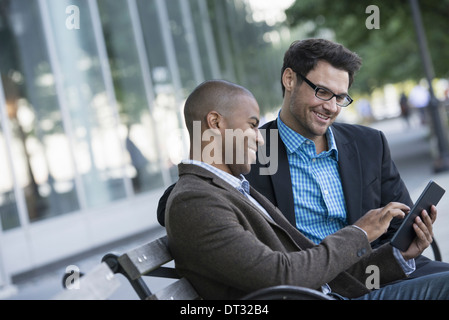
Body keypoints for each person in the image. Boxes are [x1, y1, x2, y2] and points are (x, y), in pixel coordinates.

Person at [158, 39, 449, 278]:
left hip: (377, 272)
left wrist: (410, 241)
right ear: (289, 79)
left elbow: (399, 221)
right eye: (322, 92)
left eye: (341, 98)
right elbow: (195, 189)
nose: (332, 107)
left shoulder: (368, 143)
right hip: (309, 281)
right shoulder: (252, 147)